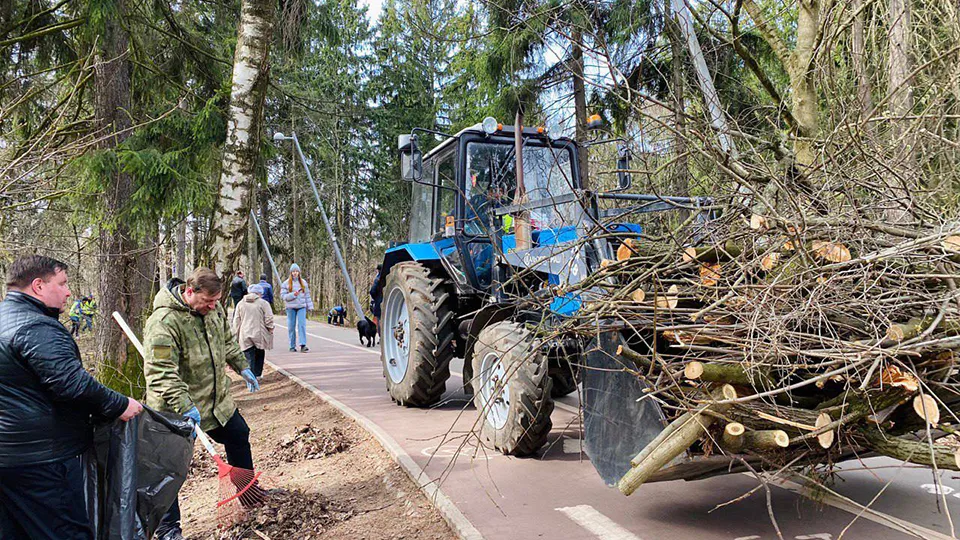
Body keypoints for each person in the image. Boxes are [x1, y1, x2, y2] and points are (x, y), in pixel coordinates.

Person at [0, 255, 143, 539]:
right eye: (63, 283)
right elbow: (71, 384)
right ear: (38, 286)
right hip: (42, 459)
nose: (68, 292)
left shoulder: (5, 319)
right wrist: (120, 404)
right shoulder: (36, 327)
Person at [143, 267, 261, 540]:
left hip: (215, 401)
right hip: (174, 409)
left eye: (216, 301)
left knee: (238, 434)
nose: (211, 306)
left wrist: (242, 366)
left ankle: (250, 494)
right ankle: (168, 529)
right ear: (189, 291)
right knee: (169, 469)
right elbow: (160, 372)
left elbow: (227, 342)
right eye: (207, 301)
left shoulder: (214, 310)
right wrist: (184, 404)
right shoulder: (164, 322)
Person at [232, 283, 273, 378]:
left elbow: (236, 321)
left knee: (248, 356)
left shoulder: (240, 303)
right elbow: (269, 318)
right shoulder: (263, 303)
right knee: (259, 353)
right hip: (260, 334)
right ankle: (258, 374)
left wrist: (235, 335)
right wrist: (270, 328)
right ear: (260, 293)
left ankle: (250, 376)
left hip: (244, 334)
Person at [280, 263, 313, 352]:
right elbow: (283, 296)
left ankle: (303, 344)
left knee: (302, 325)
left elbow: (307, 295)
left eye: (296, 271)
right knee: (291, 326)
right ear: (291, 273)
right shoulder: (286, 283)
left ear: (299, 272)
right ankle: (292, 345)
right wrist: (292, 295)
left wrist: (310, 306)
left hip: (301, 306)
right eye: (293, 271)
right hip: (290, 307)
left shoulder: (303, 283)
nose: (295, 273)